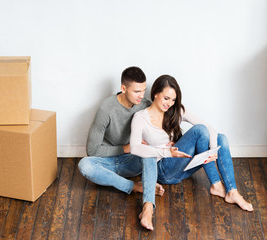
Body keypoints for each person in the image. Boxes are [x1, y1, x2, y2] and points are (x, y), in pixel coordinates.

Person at [130, 75, 253, 230]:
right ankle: (215, 184)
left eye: (173, 100)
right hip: (163, 170)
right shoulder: (140, 117)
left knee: (220, 138)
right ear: (155, 93)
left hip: (182, 167)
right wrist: (165, 151)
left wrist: (213, 150)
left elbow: (210, 128)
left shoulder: (176, 111)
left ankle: (232, 191)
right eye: (166, 98)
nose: (170, 104)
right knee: (199, 131)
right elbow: (134, 148)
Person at [78, 67, 163, 230]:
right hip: (107, 162)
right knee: (84, 165)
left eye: (144, 91)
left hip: (131, 162)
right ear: (123, 88)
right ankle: (132, 186)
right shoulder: (106, 109)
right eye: (137, 91)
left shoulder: (145, 105)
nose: (141, 96)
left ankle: (148, 208)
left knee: (149, 150)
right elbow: (92, 150)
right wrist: (125, 148)